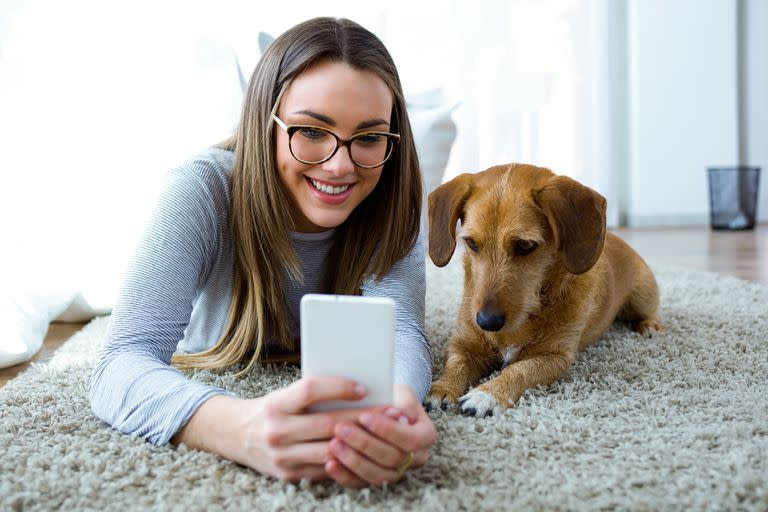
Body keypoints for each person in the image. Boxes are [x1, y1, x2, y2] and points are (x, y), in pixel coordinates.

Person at [88, 17, 436, 487]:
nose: (340, 165)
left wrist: (396, 407)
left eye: (370, 138)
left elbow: (403, 329)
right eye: (311, 131)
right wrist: (241, 429)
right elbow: (119, 362)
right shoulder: (200, 188)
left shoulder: (393, 199)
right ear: (265, 123)